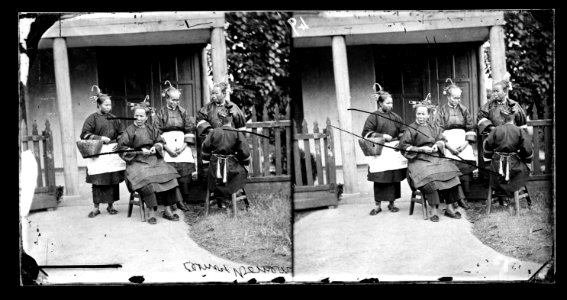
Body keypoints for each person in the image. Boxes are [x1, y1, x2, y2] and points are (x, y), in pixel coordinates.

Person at [118, 104, 184, 224]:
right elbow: (121, 148)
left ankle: (167, 210)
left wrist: (155, 147)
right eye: (136, 116)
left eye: (141, 116)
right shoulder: (128, 131)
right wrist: (138, 151)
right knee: (149, 180)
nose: (138, 119)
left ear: (146, 117)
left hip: (153, 160)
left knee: (169, 177)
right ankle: (151, 212)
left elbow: (159, 141)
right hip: (136, 163)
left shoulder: (151, 128)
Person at [399, 103, 465, 222]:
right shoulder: (411, 128)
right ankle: (433, 209)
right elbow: (403, 146)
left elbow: (441, 139)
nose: (420, 116)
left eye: (423, 114)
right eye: (418, 113)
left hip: (434, 157)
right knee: (431, 178)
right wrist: (421, 149)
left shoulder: (433, 126)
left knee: (451, 174)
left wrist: (436, 145)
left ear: (428, 115)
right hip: (418, 160)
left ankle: (450, 207)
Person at [361, 85, 407, 215]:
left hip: (393, 151)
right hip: (379, 152)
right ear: (380, 103)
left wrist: (400, 138)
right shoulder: (373, 117)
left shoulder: (396, 117)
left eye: (391, 102)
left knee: (393, 177)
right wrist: (382, 136)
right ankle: (378, 205)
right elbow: (366, 133)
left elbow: (403, 131)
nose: (390, 105)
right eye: (388, 102)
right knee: (380, 178)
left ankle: (392, 203)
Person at [80, 86, 125, 218]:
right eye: (106, 104)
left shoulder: (114, 118)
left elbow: (121, 133)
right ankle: (96, 208)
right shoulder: (92, 119)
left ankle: (111, 206)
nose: (109, 107)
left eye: (110, 105)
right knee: (98, 180)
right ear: (98, 105)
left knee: (112, 179)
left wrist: (119, 140)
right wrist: (100, 138)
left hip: (111, 152)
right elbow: (84, 134)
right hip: (98, 153)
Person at [153, 83, 197, 211]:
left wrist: (183, 147)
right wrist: (167, 148)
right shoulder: (160, 113)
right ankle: (172, 201)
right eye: (173, 99)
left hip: (182, 145)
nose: (175, 102)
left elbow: (189, 128)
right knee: (169, 174)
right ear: (167, 98)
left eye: (177, 100)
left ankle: (182, 200)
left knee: (184, 175)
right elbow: (156, 132)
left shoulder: (183, 112)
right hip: (167, 146)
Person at [435, 81, 477, 209]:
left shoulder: (464, 109)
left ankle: (464, 198)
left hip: (462, 141)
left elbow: (470, 127)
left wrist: (465, 144)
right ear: (448, 96)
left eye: (459, 97)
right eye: (454, 97)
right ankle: (453, 198)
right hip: (448, 142)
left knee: (465, 168)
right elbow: (438, 130)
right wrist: (449, 147)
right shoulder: (441, 111)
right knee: (450, 170)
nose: (457, 100)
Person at [201, 107, 251, 211]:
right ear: (232, 119)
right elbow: (245, 153)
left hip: (214, 171)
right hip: (232, 172)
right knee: (242, 169)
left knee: (214, 171)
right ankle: (229, 197)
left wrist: (207, 165)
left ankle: (221, 200)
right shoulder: (237, 133)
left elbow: (205, 150)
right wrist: (244, 162)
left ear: (219, 120)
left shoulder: (213, 132)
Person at [483, 105, 533, 207]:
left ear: (502, 117)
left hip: (496, 168)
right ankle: (512, 191)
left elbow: (487, 147)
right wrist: (525, 160)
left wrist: (489, 162)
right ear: (514, 117)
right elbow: (527, 150)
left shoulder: (495, 130)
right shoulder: (519, 131)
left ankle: (503, 193)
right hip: (514, 168)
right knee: (524, 168)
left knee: (493, 169)